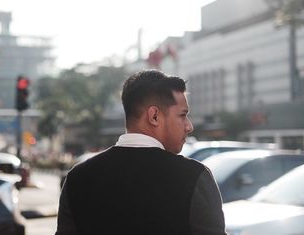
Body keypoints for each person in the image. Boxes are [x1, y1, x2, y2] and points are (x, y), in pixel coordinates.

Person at [55, 70, 226, 235]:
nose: (189, 126)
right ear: (154, 116)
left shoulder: (78, 178)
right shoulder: (194, 177)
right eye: (182, 115)